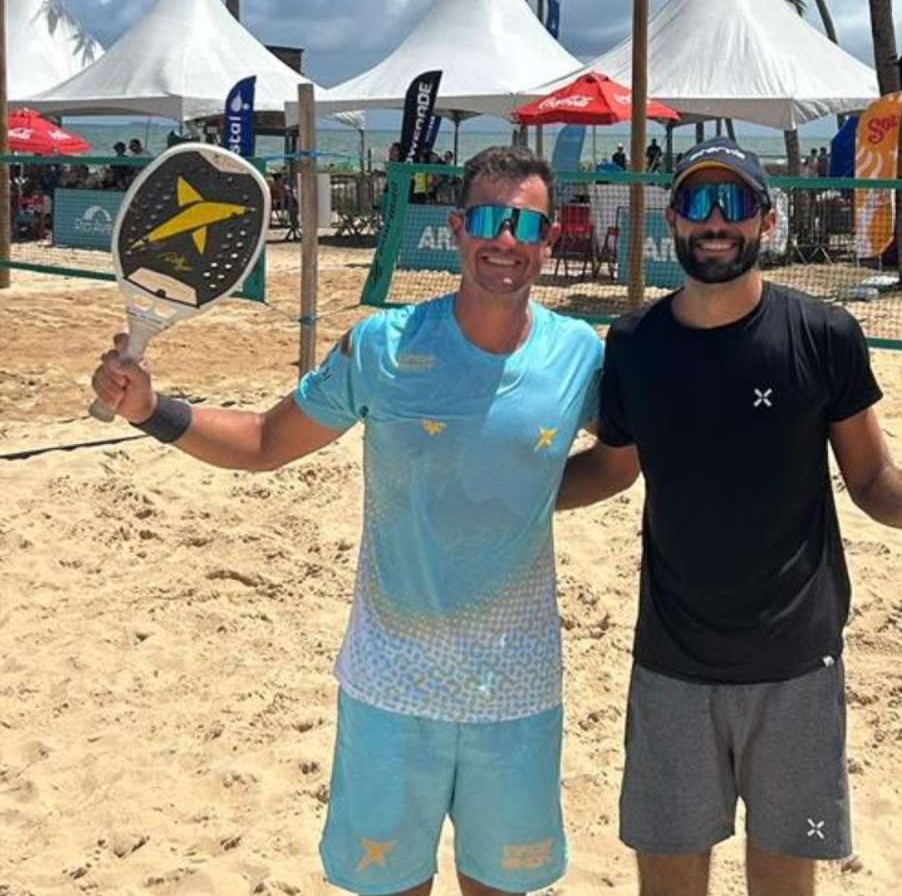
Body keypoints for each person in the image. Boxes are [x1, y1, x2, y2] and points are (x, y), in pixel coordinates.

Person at [91, 146, 604, 896]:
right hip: (391, 684)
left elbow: (621, 462)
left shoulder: (579, 355)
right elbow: (265, 442)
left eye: (526, 223)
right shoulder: (383, 346)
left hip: (516, 690)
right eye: (490, 219)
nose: (506, 239)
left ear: (549, 238)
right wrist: (151, 410)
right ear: (457, 228)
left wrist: (519, 496)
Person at [556, 137, 902, 896]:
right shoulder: (634, 343)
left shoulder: (824, 335)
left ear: (767, 219)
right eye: (698, 202)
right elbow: (612, 465)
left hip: (796, 662)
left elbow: (872, 479)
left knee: (785, 884)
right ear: (672, 218)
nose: (716, 221)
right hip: (671, 663)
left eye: (734, 202)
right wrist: (507, 491)